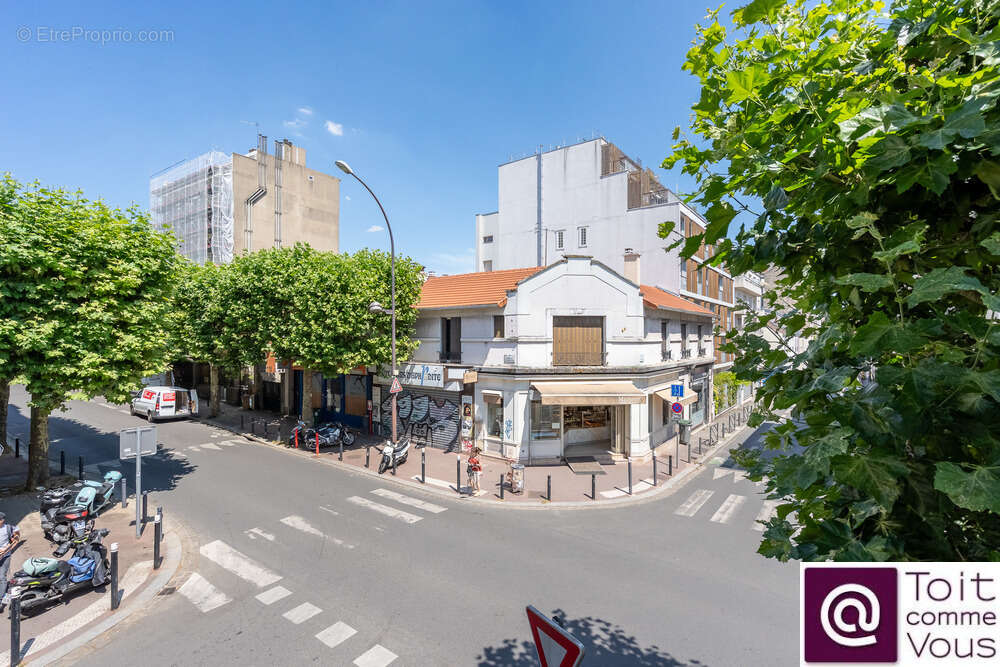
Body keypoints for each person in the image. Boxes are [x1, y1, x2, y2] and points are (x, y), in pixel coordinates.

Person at [0, 511, 21, 608]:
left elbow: (16, 538)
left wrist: (5, 551)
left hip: (5, 556)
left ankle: (0, 600)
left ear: (2, 520)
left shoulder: (9, 528)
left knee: (2, 577)